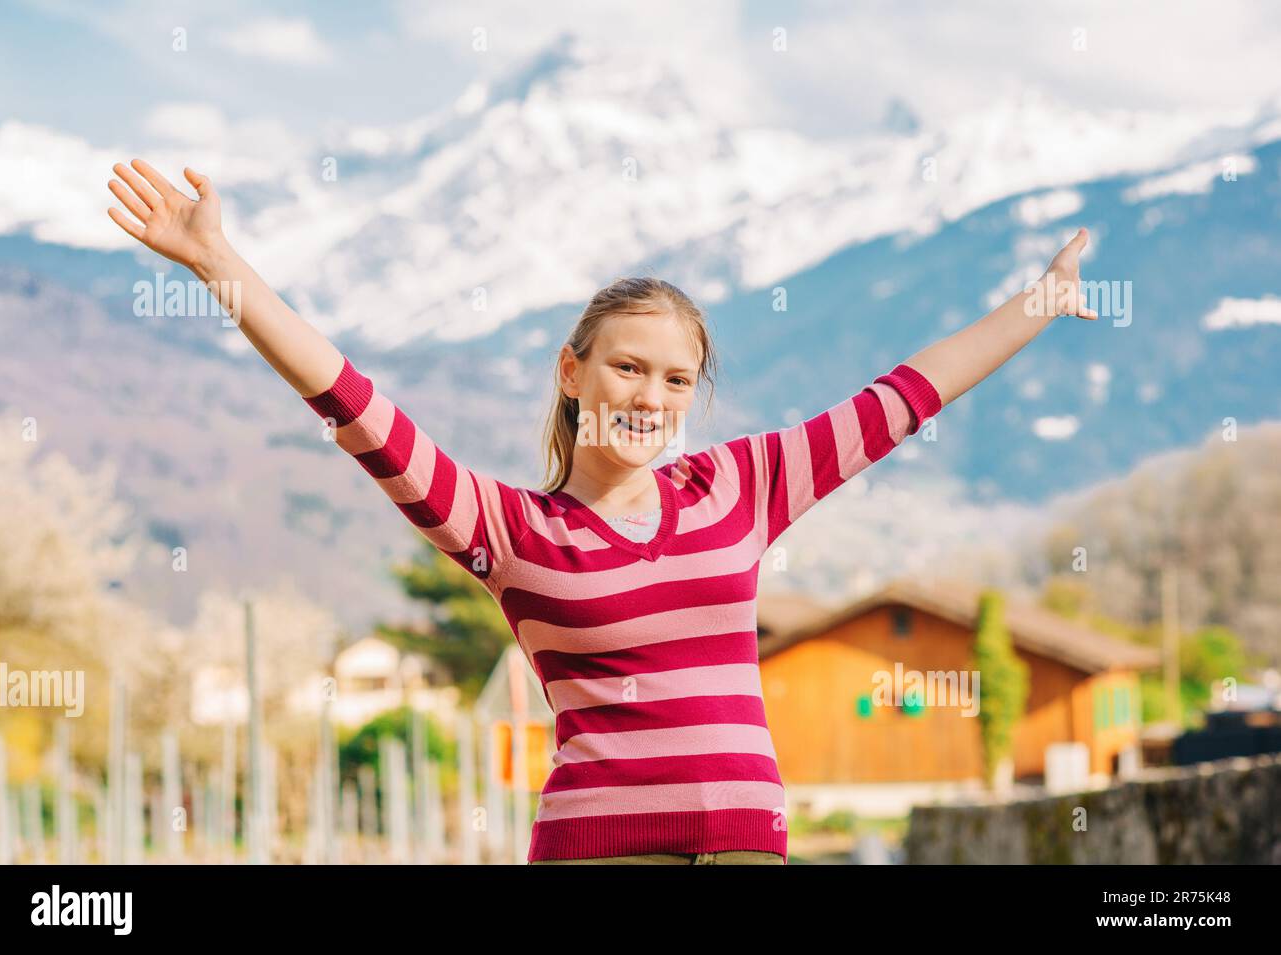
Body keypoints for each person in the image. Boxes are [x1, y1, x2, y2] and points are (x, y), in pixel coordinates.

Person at [106, 158, 1098, 865]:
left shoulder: (742, 487)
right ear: (573, 372)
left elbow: (904, 397)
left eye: (676, 377)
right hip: (600, 849)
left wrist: (1041, 302)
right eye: (627, 365)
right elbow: (354, 404)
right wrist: (219, 270)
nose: (649, 395)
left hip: (752, 845)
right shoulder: (508, 531)